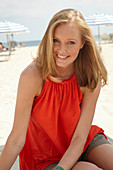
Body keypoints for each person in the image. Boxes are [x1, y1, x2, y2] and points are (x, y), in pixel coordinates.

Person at [0, 8, 113, 170]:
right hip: (44, 155)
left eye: (71, 42)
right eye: (55, 40)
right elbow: (16, 139)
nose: (61, 50)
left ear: (83, 43)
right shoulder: (32, 76)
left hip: (81, 141)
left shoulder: (89, 76)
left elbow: (81, 137)